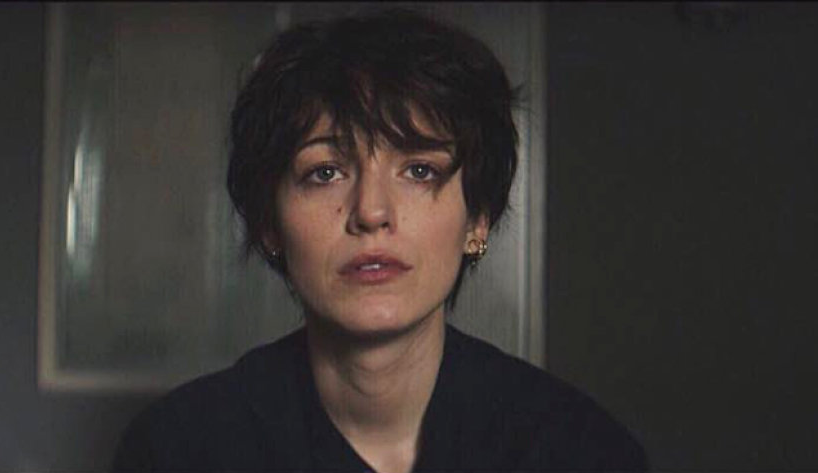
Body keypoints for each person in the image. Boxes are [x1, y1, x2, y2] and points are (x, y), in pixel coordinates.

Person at [113, 9, 648, 473]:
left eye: (418, 170)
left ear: (478, 220)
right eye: (325, 172)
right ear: (269, 224)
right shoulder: (180, 450)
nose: (372, 212)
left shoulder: (578, 452)